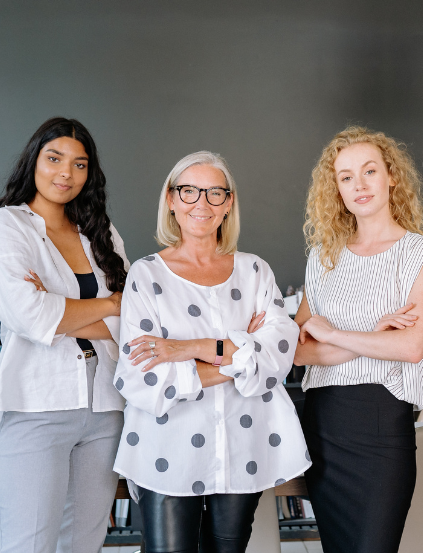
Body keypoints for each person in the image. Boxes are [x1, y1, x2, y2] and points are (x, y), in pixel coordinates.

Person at [112, 151, 309, 553]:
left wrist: (187, 349)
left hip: (244, 443)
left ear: (228, 203)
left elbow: (278, 354)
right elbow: (143, 376)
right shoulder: (146, 275)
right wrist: (242, 352)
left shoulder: (255, 271)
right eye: (189, 191)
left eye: (215, 192)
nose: (202, 203)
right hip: (166, 447)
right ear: (171, 199)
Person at [0, 117, 129, 553]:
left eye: (80, 164)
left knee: (84, 543)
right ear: (33, 162)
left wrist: (61, 310)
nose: (66, 173)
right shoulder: (10, 225)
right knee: (30, 544)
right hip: (37, 405)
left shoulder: (100, 231)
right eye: (54, 158)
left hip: (105, 406)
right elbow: (27, 313)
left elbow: (137, 319)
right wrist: (108, 306)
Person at [294, 126, 423, 553]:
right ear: (336, 190)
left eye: (369, 171)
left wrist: (332, 334)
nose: (359, 185)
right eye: (346, 177)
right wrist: (373, 335)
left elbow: (411, 347)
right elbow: (300, 351)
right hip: (324, 423)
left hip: (381, 423)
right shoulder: (323, 256)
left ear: (392, 176)